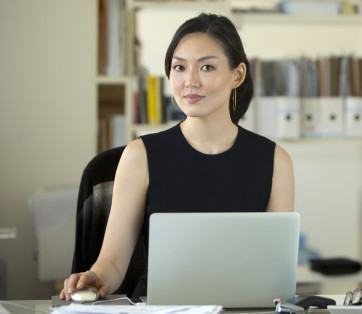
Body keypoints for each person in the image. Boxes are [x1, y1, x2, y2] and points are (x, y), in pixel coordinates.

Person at [60, 13, 295, 300]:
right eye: (179, 67)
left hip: (242, 306)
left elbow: (275, 267)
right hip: (161, 307)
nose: (190, 81)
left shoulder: (275, 162)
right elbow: (112, 262)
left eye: (207, 67)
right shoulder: (140, 155)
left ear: (238, 75)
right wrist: (97, 276)